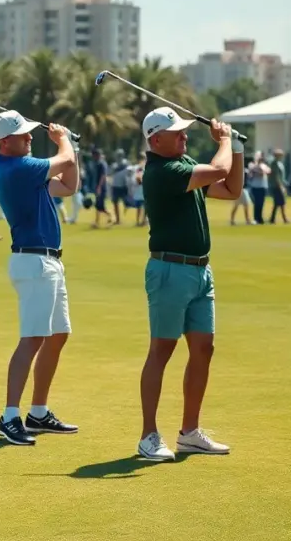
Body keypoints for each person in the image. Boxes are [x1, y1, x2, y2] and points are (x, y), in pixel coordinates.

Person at [136, 108, 244, 461]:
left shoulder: (183, 165)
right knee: (162, 351)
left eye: (184, 131)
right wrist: (225, 141)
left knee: (204, 348)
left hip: (200, 272)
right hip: (169, 270)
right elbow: (219, 170)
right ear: (155, 140)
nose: (185, 135)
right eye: (177, 132)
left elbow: (230, 189)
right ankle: (148, 436)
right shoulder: (163, 171)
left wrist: (237, 150)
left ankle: (189, 432)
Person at [0, 110, 80, 446]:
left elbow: (69, 185)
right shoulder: (17, 168)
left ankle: (38, 412)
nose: (29, 137)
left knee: (58, 334)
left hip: (48, 262)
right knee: (32, 338)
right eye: (23, 134)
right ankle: (9, 416)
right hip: (34, 263)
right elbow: (64, 157)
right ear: (3, 142)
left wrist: (71, 150)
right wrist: (65, 141)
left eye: (29, 133)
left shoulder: (25, 168)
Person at [246, 152, 269, 224]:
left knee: (261, 203)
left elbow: (267, 171)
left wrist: (259, 170)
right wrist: (258, 170)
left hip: (263, 186)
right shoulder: (252, 165)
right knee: (256, 203)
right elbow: (252, 172)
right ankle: (256, 218)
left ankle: (260, 218)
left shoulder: (264, 166)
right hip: (255, 187)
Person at [268, 148, 289, 224]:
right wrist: (281, 186)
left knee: (277, 203)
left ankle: (272, 219)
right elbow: (276, 177)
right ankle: (284, 218)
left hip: (280, 185)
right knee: (281, 202)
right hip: (276, 186)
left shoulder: (279, 163)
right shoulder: (274, 163)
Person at [110, 150, 130, 225]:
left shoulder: (126, 163)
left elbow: (129, 173)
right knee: (115, 203)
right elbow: (111, 173)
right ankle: (118, 220)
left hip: (124, 185)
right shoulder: (114, 165)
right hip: (115, 186)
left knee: (127, 202)